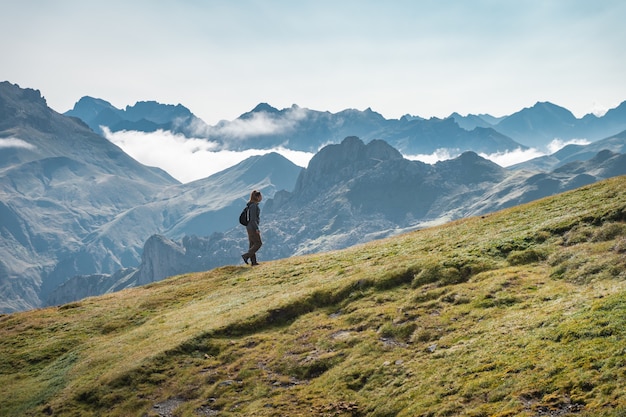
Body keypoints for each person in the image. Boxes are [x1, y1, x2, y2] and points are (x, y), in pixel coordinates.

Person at [242, 190, 263, 266]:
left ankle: (253, 262)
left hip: (249, 227)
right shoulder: (253, 206)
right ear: (257, 197)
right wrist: (257, 228)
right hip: (252, 227)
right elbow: (253, 219)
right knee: (258, 243)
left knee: (252, 244)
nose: (261, 198)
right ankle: (246, 256)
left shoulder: (251, 205)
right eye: (260, 196)